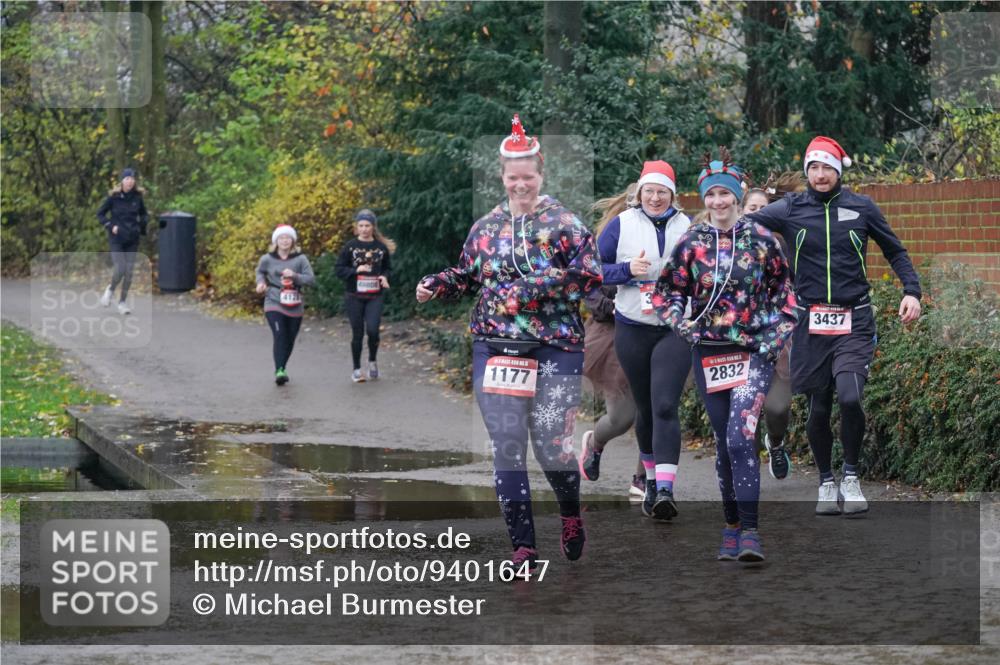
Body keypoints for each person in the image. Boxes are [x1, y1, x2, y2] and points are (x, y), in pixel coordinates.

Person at [415, 115, 601, 570]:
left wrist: (532, 288)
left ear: (541, 175)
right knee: (508, 444)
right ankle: (523, 548)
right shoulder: (485, 228)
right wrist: (437, 284)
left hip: (556, 345)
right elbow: (467, 276)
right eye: (512, 178)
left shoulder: (565, 224)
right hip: (495, 345)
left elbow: (589, 277)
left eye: (528, 177)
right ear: (502, 177)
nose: (520, 185)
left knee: (551, 446)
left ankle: (570, 513)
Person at [744, 136, 921, 516]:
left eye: (827, 168)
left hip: (854, 317)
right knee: (819, 407)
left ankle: (851, 476)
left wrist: (912, 291)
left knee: (850, 396)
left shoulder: (861, 207)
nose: (820, 175)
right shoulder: (790, 208)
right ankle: (826, 481)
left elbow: (895, 250)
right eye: (813, 168)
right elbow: (742, 225)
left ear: (838, 171)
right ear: (807, 171)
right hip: (808, 321)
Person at [653, 149, 797, 562]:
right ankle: (731, 525)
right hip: (709, 354)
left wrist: (771, 338)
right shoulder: (692, 243)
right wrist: (681, 324)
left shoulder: (763, 241)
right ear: (704, 199)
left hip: (753, 352)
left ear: (737, 198)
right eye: (711, 194)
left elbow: (786, 297)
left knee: (740, 436)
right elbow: (667, 293)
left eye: (725, 194)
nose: (718, 201)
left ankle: (751, 531)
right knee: (723, 441)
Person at [594, 160, 693, 520]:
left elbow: (703, 271)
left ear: (672, 196)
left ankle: (666, 488)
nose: (655, 197)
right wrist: (625, 271)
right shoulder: (622, 225)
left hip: (673, 329)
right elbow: (591, 270)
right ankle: (650, 481)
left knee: (665, 405)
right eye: (649, 191)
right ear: (639, 193)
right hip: (632, 327)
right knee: (646, 409)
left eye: (662, 191)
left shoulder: (687, 227)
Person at [741, 171, 807, 480]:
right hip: (738, 336)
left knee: (778, 407)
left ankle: (776, 443)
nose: (757, 213)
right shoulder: (725, 243)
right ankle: (747, 471)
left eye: (763, 207)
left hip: (776, 333)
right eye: (751, 208)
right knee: (743, 409)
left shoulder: (785, 243)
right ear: (741, 211)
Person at [335, 209, 395, 382]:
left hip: (375, 296)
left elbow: (388, 268)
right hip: (354, 295)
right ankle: (356, 369)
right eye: (361, 225)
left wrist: (384, 277)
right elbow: (339, 269)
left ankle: (372, 361)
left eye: (367, 225)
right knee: (358, 333)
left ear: (373, 227)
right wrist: (355, 270)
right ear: (356, 227)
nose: (364, 229)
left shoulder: (380, 247)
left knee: (373, 330)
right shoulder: (350, 246)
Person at [255, 225, 315, 386]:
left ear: (293, 241)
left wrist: (294, 276)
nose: (284, 241)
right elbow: (260, 272)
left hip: (294, 303)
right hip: (273, 300)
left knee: (289, 339)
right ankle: (280, 370)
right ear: (276, 241)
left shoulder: (300, 259)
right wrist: (260, 283)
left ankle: (282, 366)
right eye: (281, 238)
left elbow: (310, 279)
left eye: (288, 238)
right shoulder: (267, 258)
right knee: (280, 334)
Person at [97, 167, 148, 315]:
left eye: (132, 178)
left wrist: (142, 224)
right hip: (117, 238)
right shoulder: (113, 198)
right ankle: (110, 290)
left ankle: (122, 302)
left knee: (129, 272)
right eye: (127, 178)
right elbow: (100, 214)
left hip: (132, 238)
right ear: (122, 181)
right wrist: (110, 225)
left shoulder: (137, 198)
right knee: (120, 268)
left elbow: (144, 214)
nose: (130, 181)